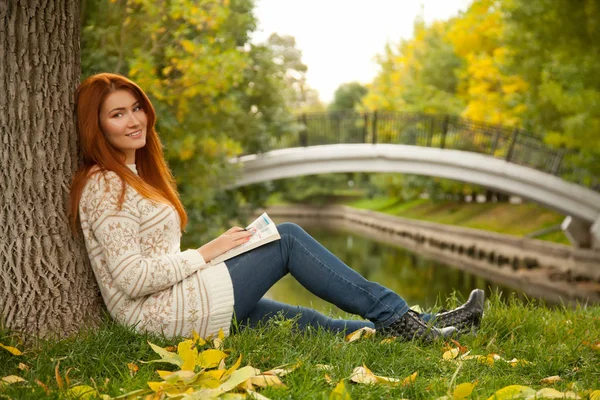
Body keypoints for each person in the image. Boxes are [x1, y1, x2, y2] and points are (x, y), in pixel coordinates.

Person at [68, 73, 484, 342]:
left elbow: (153, 261)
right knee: (287, 239)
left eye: (136, 108)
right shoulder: (105, 185)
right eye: (117, 114)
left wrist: (216, 254)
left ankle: (431, 325)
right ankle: (403, 320)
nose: (134, 120)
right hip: (159, 316)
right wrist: (207, 253)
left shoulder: (133, 175)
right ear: (96, 125)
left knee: (309, 323)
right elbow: (132, 278)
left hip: (178, 301)